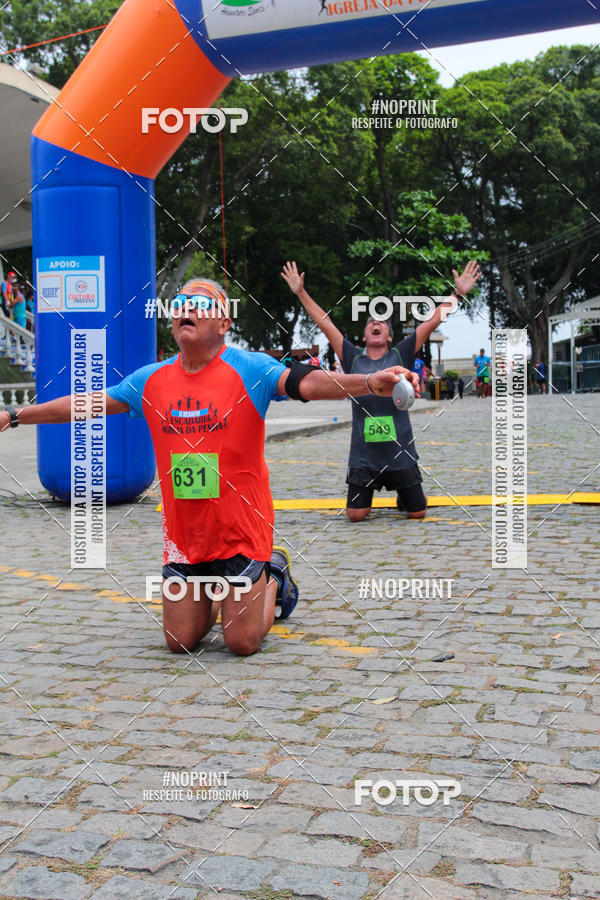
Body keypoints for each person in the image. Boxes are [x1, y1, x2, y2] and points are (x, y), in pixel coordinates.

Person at [1, 277, 418, 657]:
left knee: (241, 642)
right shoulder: (150, 380)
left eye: (201, 305)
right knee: (180, 641)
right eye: (181, 303)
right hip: (187, 535)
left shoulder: (249, 368)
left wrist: (368, 382)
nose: (187, 309)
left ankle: (273, 575)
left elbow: (307, 382)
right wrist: (15, 416)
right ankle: (228, 591)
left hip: (241, 530)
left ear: (224, 325)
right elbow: (83, 405)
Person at [282, 260, 481, 522]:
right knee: (356, 515)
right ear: (364, 336)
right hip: (364, 457)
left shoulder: (402, 352)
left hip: (400, 454)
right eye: (370, 323)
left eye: (383, 323)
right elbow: (325, 323)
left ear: (389, 336)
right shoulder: (352, 358)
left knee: (417, 512)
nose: (376, 324)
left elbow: (432, 321)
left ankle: (403, 493)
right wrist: (300, 292)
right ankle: (376, 491)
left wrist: (458, 295)